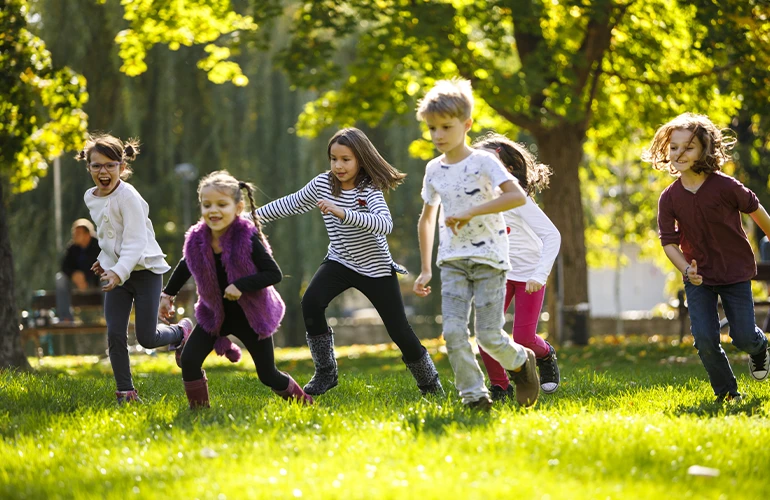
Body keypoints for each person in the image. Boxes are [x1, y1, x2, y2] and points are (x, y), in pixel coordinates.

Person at [256, 128, 443, 397]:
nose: (338, 166)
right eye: (334, 159)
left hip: (376, 269)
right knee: (311, 302)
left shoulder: (369, 190)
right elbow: (291, 203)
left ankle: (430, 384)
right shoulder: (322, 184)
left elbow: (384, 224)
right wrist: (248, 218)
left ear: (361, 160)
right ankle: (326, 372)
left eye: (346, 159)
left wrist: (344, 213)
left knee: (399, 331)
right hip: (340, 261)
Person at [413, 78, 539, 409]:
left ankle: (522, 362)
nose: (438, 135)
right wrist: (426, 269)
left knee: (488, 336)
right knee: (453, 333)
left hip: (489, 259)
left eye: (445, 127)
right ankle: (474, 396)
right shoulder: (433, 170)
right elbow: (427, 219)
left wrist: (472, 212)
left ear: (466, 124)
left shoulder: (484, 162)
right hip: (452, 260)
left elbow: (514, 196)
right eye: (432, 129)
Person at [644, 112, 770, 402]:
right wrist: (687, 269)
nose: (678, 153)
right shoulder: (669, 197)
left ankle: (760, 347)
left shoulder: (726, 186)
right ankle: (727, 392)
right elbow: (669, 242)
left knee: (743, 337)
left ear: (705, 149)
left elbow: (757, 210)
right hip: (698, 277)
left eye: (688, 147)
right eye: (674, 147)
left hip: (735, 273)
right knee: (704, 340)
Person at [160, 170, 313, 408]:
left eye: (222, 204)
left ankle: (304, 402)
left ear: (238, 208)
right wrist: (168, 294)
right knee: (189, 361)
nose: (214, 210)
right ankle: (199, 411)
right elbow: (185, 265)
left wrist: (240, 286)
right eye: (207, 204)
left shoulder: (247, 238)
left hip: (251, 317)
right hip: (214, 315)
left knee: (267, 375)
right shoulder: (196, 239)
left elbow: (273, 274)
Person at [77, 133, 191, 404]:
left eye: (110, 165)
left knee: (147, 337)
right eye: (96, 165)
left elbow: (136, 240)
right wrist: (104, 260)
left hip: (145, 272)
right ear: (89, 167)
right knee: (115, 333)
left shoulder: (129, 197)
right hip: (117, 273)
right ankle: (125, 392)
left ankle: (181, 331)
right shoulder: (90, 197)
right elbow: (108, 235)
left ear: (122, 168)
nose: (103, 171)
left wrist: (117, 270)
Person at [471, 133, 562, 398]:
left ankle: (545, 356)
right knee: (485, 334)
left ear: (508, 171)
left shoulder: (519, 198)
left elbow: (552, 235)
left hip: (529, 275)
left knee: (523, 338)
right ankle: (500, 386)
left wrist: (540, 273)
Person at [55, 219, 101, 323]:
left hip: (96, 283)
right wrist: (74, 275)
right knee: (60, 279)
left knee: (107, 278)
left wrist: (85, 276)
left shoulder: (99, 245)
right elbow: (64, 267)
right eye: (74, 233)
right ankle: (65, 318)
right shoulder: (72, 247)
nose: (74, 235)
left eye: (78, 233)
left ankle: (109, 316)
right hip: (77, 285)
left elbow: (104, 265)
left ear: (87, 234)